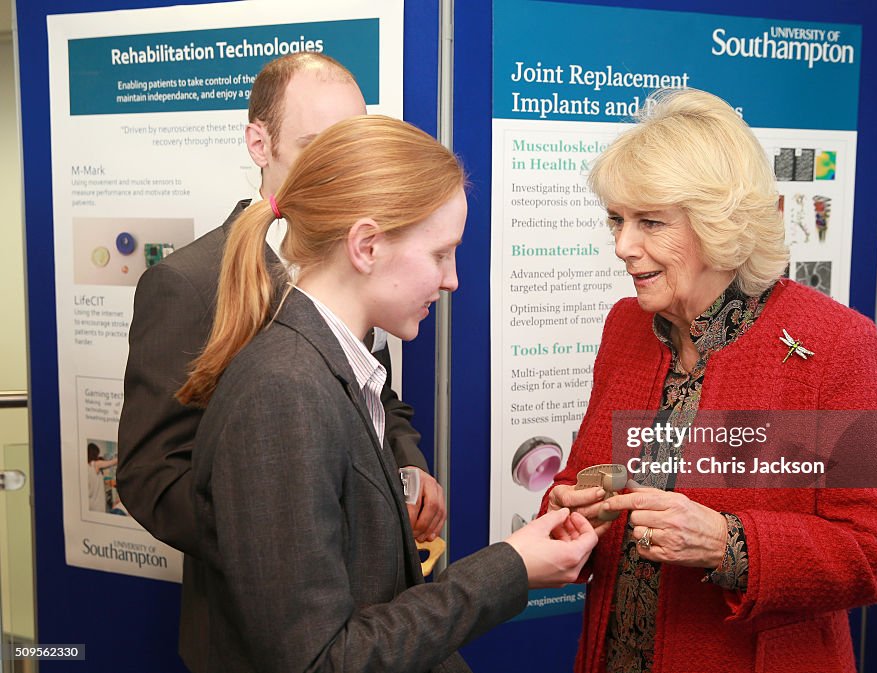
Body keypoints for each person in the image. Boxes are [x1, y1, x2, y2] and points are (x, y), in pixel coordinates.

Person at [176, 115, 597, 673]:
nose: (452, 281)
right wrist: (511, 567)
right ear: (367, 246)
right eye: (440, 254)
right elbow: (322, 660)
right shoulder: (284, 392)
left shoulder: (336, 369)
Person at [541, 89, 877, 673]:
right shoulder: (626, 327)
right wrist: (568, 504)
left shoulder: (837, 344)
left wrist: (729, 543)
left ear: (721, 223)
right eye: (616, 219)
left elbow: (876, 553)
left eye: (650, 222)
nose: (622, 247)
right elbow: (579, 478)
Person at [117, 53, 443, 673]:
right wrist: (297, 541)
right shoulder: (187, 284)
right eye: (318, 146)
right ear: (257, 142)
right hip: (252, 637)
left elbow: (373, 395)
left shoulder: (363, 257)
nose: (339, 167)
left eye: (350, 145)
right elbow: (149, 474)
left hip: (372, 623)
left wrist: (404, 465)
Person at [86, 442, 117, 513]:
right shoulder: (94, 464)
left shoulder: (86, 466)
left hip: (90, 504)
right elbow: (113, 462)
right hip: (97, 505)